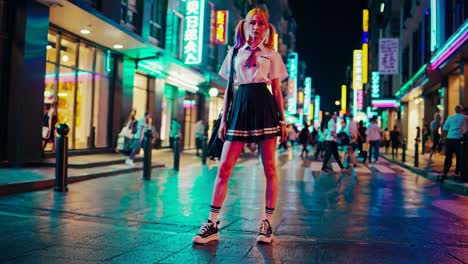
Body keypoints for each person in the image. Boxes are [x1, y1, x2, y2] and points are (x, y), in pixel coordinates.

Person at [192, 8, 288, 245]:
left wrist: (283, 120)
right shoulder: (234, 53)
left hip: (265, 108)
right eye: (253, 22)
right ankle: (212, 223)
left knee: (270, 168)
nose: (257, 27)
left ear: (267, 28)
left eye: (262, 23)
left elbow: (276, 91)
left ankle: (266, 224)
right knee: (224, 166)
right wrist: (224, 119)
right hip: (239, 108)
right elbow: (230, 90)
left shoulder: (272, 55)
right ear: (245, 26)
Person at [438, 105, 468, 182]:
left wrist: (441, 139)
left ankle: (445, 172)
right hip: (459, 139)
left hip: (450, 139)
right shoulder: (464, 117)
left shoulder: (450, 118)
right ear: (461, 110)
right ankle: (457, 173)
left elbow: (445, 129)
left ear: (455, 110)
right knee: (459, 156)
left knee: (448, 156)